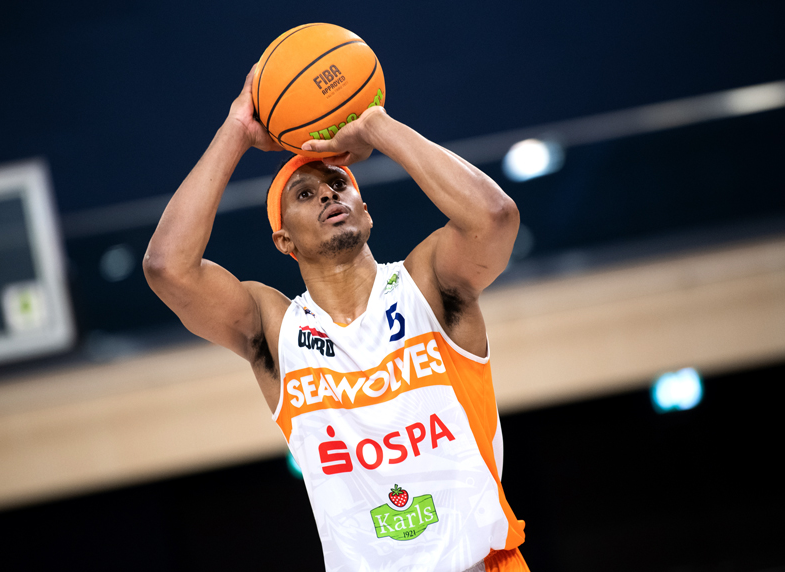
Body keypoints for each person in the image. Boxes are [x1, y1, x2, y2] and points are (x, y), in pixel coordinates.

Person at [144, 64, 528, 572]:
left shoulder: (427, 284)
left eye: (338, 184)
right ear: (284, 239)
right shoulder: (276, 329)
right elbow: (167, 268)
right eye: (305, 194)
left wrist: (375, 125)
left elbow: (495, 217)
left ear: (365, 211)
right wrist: (235, 131)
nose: (328, 194)